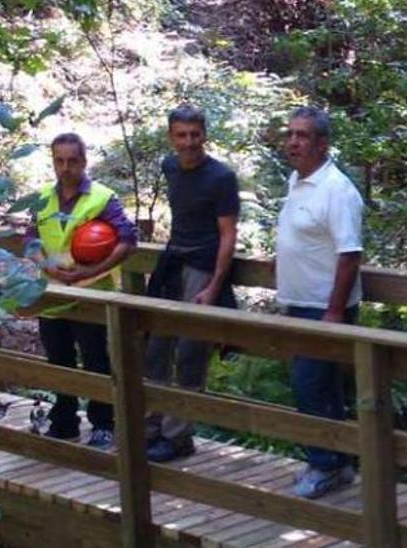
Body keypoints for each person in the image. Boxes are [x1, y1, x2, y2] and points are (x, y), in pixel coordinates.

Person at [26, 132, 138, 449]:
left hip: (92, 293)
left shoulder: (102, 198)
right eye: (59, 161)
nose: (66, 167)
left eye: (72, 160)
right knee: (58, 359)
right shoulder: (43, 197)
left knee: (96, 361)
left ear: (83, 161)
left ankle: (103, 424)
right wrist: (46, 265)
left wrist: (92, 270)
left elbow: (127, 241)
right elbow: (30, 238)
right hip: (52, 292)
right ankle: (64, 421)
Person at [274, 106, 364, 498]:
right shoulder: (298, 180)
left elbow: (349, 254)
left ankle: (324, 465)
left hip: (324, 308)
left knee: (310, 387)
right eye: (291, 134)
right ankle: (338, 464)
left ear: (322, 144)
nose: (294, 141)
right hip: (301, 304)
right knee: (324, 390)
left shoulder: (337, 189)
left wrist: (333, 312)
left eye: (303, 135)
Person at [143, 105, 240, 462]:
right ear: (171, 137)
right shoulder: (170, 167)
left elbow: (228, 235)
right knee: (155, 348)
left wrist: (214, 287)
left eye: (194, 134)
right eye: (181, 135)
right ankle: (150, 427)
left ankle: (178, 436)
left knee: (189, 353)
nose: (188, 142)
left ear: (204, 135)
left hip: (203, 265)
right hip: (171, 263)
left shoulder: (221, 178)